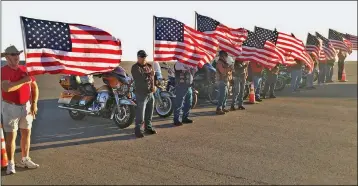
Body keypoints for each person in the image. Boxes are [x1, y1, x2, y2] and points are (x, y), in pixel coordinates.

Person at [1, 45, 40, 175]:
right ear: (7, 57)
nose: (16, 56)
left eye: (17, 54)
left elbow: (34, 87)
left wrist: (34, 103)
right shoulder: (3, 71)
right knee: (11, 136)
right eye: (13, 54)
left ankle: (25, 159)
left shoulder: (25, 69)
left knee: (26, 133)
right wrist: (24, 81)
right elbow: (7, 88)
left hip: (26, 106)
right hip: (10, 107)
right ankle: (11, 163)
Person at [131, 50, 157, 138]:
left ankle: (148, 128)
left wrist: (155, 85)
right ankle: (138, 130)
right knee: (140, 114)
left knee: (149, 113)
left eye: (145, 57)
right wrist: (150, 73)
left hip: (150, 93)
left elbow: (153, 77)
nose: (143, 58)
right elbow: (139, 78)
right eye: (142, 57)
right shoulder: (135, 67)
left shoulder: (149, 66)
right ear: (138, 57)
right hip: (141, 93)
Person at [173, 62, 197, 126]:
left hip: (189, 86)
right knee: (179, 104)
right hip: (181, 86)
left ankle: (185, 117)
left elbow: (194, 70)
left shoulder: (189, 63)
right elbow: (181, 68)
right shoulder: (178, 64)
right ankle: (176, 120)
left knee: (188, 103)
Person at [215, 50, 233, 115]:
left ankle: (222, 107)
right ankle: (218, 109)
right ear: (222, 56)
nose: (226, 57)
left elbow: (228, 72)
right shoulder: (219, 62)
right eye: (225, 56)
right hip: (221, 81)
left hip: (226, 80)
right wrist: (229, 68)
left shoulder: (225, 63)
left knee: (225, 95)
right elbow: (223, 71)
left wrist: (230, 68)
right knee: (222, 96)